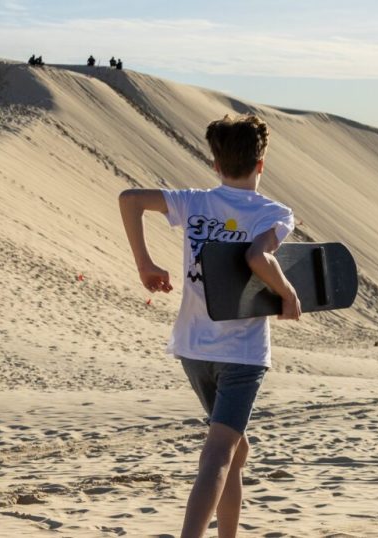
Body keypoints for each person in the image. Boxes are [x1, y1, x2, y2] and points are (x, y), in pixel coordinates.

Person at [118, 114, 298, 538]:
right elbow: (259, 257)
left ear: (215, 164)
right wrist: (288, 294)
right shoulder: (275, 212)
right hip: (242, 354)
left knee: (235, 451)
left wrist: (144, 264)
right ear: (261, 164)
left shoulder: (194, 201)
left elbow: (129, 199)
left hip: (193, 347)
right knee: (218, 454)